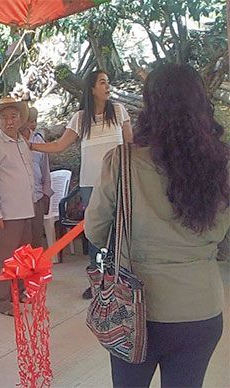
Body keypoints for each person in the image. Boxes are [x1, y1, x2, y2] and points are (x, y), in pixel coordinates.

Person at [85, 63, 229, 388]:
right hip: (201, 307)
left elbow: (94, 230)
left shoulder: (122, 162)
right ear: (201, 103)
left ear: (150, 106)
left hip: (134, 311)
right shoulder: (223, 166)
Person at [29, 70, 132, 299]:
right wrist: (31, 146)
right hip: (90, 185)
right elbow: (58, 146)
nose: (107, 87)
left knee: (120, 232)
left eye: (108, 82)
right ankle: (97, 283)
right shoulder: (79, 118)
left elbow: (130, 144)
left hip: (117, 183)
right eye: (102, 82)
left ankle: (120, 280)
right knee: (95, 235)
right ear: (92, 88)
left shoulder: (118, 111)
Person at [0, 97, 35, 316]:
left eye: (13, 116)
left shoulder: (22, 142)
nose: (9, 121)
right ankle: (3, 301)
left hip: (26, 209)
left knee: (24, 255)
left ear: (20, 119)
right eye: (4, 117)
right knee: (4, 258)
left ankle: (21, 290)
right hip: (7, 212)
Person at [19, 107, 53, 250]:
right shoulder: (13, 141)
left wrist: (46, 193)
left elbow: (45, 169)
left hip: (37, 196)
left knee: (36, 237)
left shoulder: (38, 140)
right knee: (21, 240)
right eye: (29, 120)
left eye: (34, 120)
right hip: (18, 199)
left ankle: (35, 269)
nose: (32, 124)